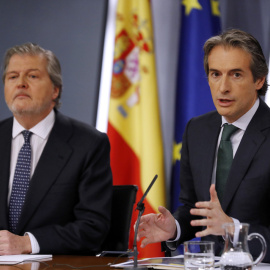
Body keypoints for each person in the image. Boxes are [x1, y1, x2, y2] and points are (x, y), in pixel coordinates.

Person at [136, 29, 270, 262]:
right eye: (215, 74)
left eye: (236, 75)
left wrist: (233, 228)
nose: (223, 87)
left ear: (259, 79)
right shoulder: (197, 130)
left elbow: (225, 222)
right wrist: (175, 227)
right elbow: (193, 207)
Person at [0, 43, 112, 255]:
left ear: (55, 90)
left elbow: (93, 227)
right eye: (12, 77)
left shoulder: (88, 144)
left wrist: (27, 243)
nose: (21, 84)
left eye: (32, 76)